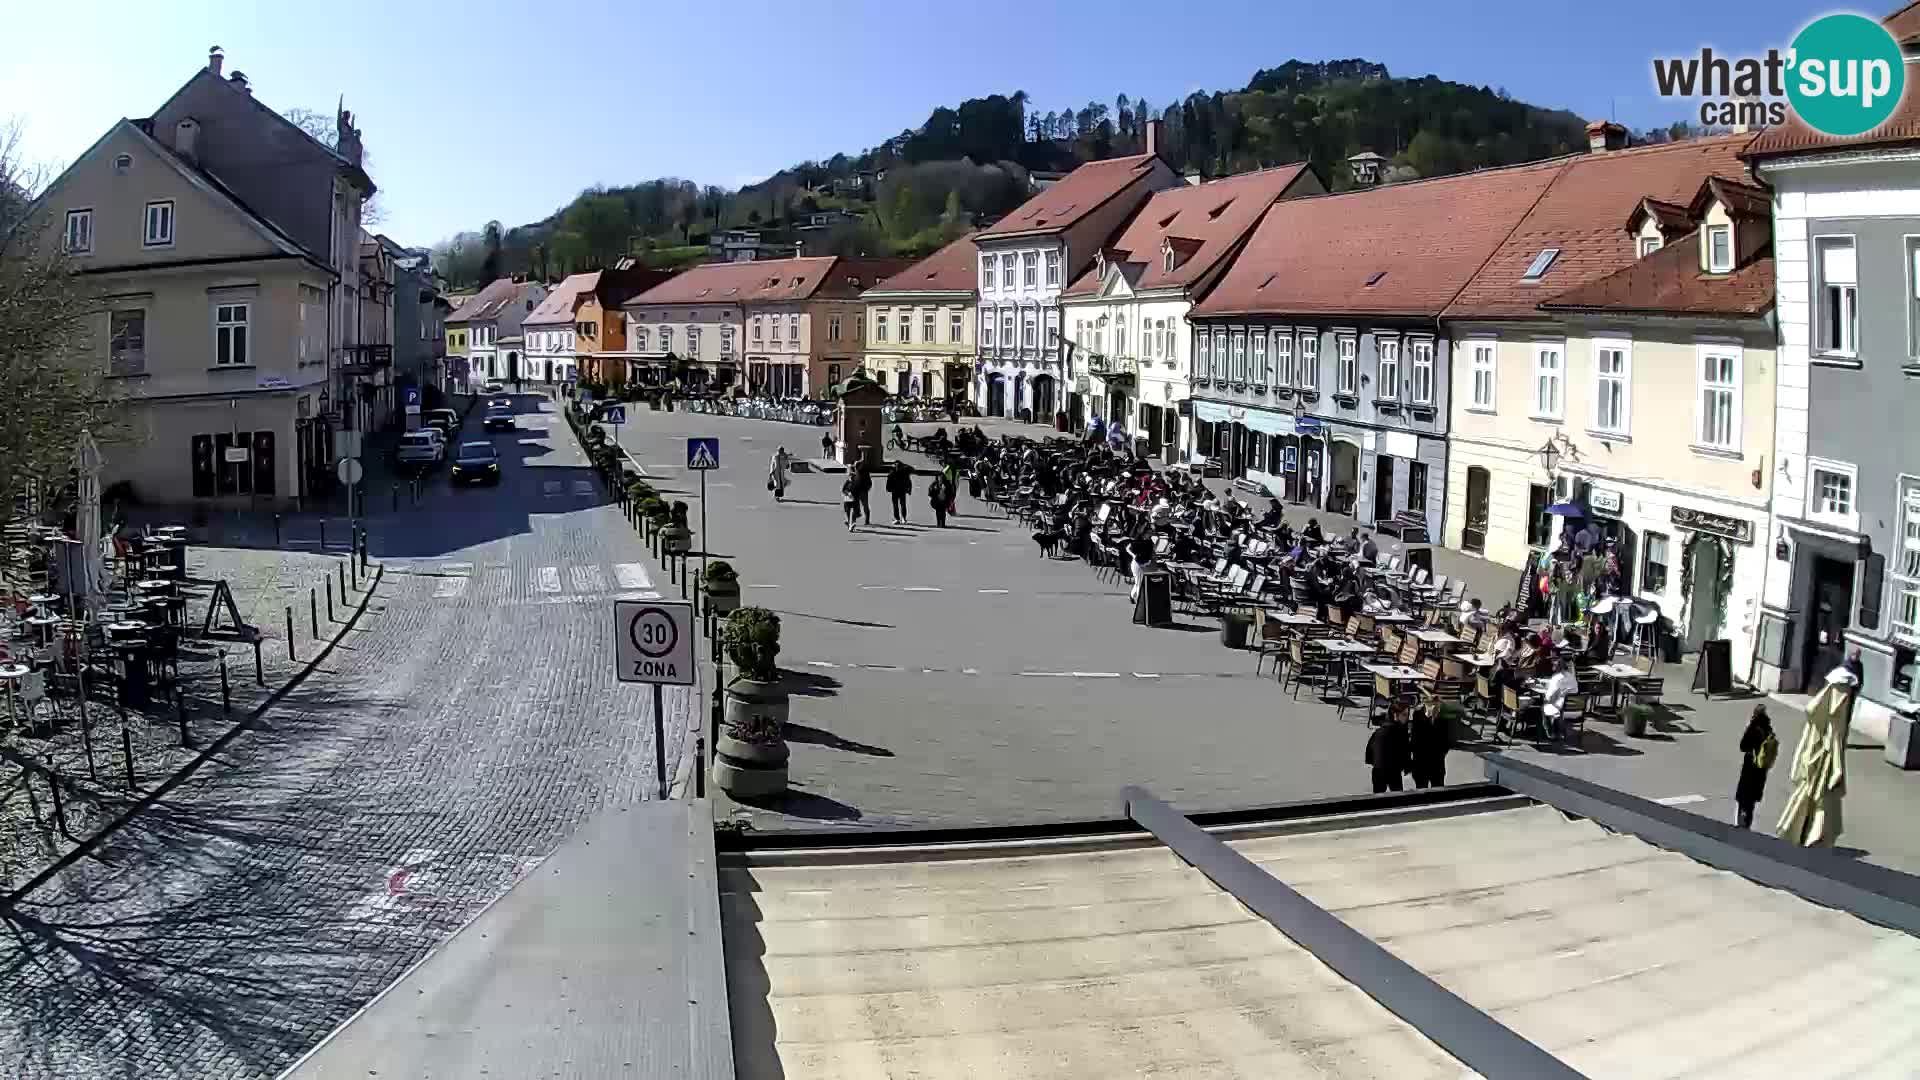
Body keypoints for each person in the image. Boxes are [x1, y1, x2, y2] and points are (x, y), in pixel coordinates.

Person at [1735, 705, 1779, 829]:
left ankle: (1741, 825)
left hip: (1750, 768)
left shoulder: (1753, 728)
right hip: (1761, 771)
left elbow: (1743, 746)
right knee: (1751, 803)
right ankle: (1747, 824)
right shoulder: (1769, 729)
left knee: (1743, 800)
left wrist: (1748, 727)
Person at [1365, 709, 1411, 793]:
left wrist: (1373, 762)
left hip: (1378, 770)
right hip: (1393, 771)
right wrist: (1407, 767)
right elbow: (1405, 752)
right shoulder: (1400, 733)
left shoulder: (1377, 732)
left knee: (1378, 796)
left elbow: (1369, 750)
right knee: (1397, 796)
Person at [1408, 704, 1452, 789]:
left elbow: (1447, 740)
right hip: (1422, 764)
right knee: (1423, 794)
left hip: (1434, 764)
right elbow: (1414, 739)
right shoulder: (1418, 714)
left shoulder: (1443, 717)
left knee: (1436, 794)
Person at [1541, 658, 1577, 742]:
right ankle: (1558, 731)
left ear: (1558, 667)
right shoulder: (1569, 675)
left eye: (1554, 665)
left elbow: (1550, 694)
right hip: (1572, 702)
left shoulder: (1557, 677)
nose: (1553, 666)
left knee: (1542, 708)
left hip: (1559, 704)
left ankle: (1550, 731)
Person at [886, 460, 913, 524]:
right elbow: (909, 482)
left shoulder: (894, 472)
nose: (897, 467)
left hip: (898, 490)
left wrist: (888, 488)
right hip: (900, 490)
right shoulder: (903, 472)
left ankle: (899, 519)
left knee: (898, 505)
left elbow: (888, 481)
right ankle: (901, 519)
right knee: (901, 505)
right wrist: (909, 490)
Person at [851, 461, 874, 525]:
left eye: (855, 466)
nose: (854, 467)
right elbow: (870, 483)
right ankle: (866, 520)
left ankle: (853, 521)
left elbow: (853, 483)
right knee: (865, 506)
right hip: (862, 491)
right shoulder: (859, 472)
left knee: (858, 506)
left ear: (857, 466)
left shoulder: (859, 473)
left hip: (860, 491)